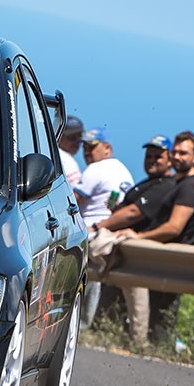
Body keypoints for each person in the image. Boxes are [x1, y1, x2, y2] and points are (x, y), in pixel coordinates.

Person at [118, 130, 194, 343]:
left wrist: (139, 237)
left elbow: (174, 228)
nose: (177, 157)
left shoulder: (189, 188)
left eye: (183, 153)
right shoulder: (180, 184)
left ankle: (159, 361)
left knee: (161, 324)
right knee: (155, 319)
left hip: (172, 264)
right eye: (175, 152)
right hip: (164, 264)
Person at [93, 135, 178, 345]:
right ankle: (105, 335)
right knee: (113, 300)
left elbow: (134, 212)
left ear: (169, 160)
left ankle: (137, 341)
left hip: (135, 253)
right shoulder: (149, 183)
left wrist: (99, 226)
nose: (152, 160)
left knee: (133, 297)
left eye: (158, 156)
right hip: (124, 251)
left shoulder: (166, 185)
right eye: (148, 156)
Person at [74, 127, 134, 326]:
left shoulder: (96, 169)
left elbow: (74, 200)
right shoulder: (123, 171)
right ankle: (95, 323)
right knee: (95, 280)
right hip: (111, 233)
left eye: (92, 147)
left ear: (107, 148)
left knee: (83, 278)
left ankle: (81, 323)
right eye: (84, 147)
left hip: (91, 230)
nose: (87, 152)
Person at [57, 116, 83, 188]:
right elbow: (76, 196)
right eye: (71, 137)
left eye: (79, 139)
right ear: (60, 135)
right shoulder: (65, 159)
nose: (76, 143)